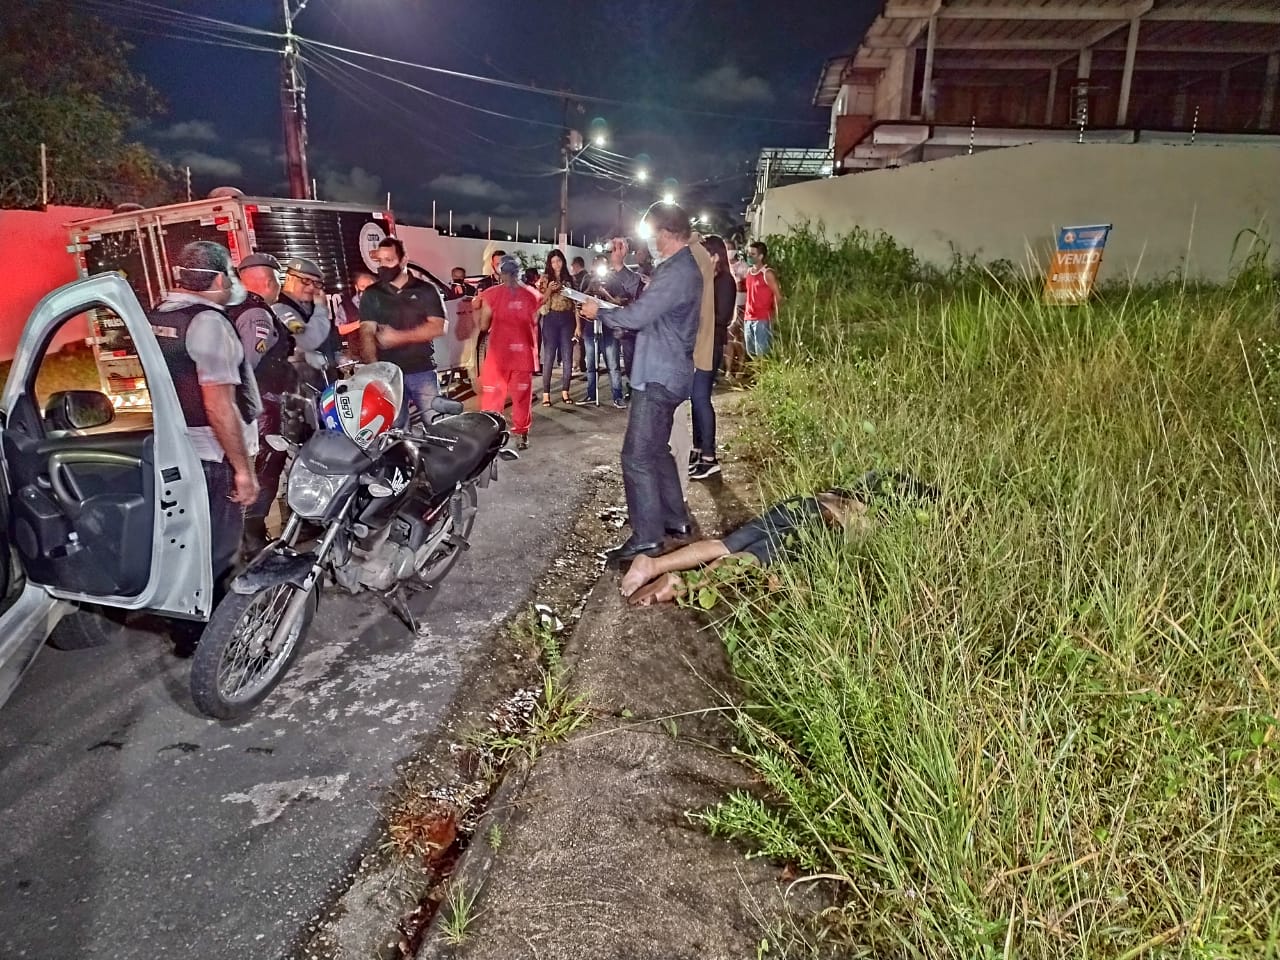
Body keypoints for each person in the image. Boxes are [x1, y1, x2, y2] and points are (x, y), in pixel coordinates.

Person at [148, 241, 261, 651]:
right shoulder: (209, 323)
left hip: (175, 449)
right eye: (229, 273)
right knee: (217, 551)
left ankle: (182, 624)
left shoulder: (158, 315)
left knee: (185, 543)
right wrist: (243, 470)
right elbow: (219, 406)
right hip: (212, 457)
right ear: (216, 279)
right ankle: (208, 638)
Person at [580, 202, 703, 566]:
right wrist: (620, 272)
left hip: (658, 375)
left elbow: (638, 314)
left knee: (635, 457)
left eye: (651, 234)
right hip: (669, 371)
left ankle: (648, 538)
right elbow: (651, 294)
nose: (648, 242)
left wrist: (598, 311)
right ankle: (675, 519)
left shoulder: (679, 271)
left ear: (665, 234)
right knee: (657, 452)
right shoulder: (679, 268)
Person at [620, 472, 938, 606]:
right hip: (821, 522)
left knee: (728, 544)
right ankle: (683, 584)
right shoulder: (885, 509)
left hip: (804, 503)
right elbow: (861, 531)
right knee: (752, 558)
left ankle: (652, 564)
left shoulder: (859, 486)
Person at [359, 237, 447, 421]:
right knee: (396, 432)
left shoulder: (425, 290)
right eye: (380, 261)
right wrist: (374, 370)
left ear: (404, 259)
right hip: (388, 376)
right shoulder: (372, 293)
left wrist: (397, 337)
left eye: (389, 260)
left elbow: (439, 327)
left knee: (436, 424)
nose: (383, 267)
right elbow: (367, 332)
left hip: (421, 370)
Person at [475, 255, 539, 450]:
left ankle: (490, 436)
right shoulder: (533, 295)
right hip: (523, 355)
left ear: (500, 272)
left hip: (498, 355)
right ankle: (522, 434)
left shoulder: (490, 294)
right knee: (521, 397)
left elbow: (484, 325)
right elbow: (534, 322)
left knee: (493, 397)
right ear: (519, 271)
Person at [689, 235, 736, 480]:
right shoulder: (710, 279)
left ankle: (710, 457)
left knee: (700, 397)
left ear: (716, 256)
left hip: (713, 344)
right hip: (701, 343)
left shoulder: (725, 281)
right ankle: (698, 448)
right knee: (696, 398)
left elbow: (722, 316)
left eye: (706, 254)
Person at [581, 256, 625, 408]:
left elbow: (619, 301)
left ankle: (618, 396)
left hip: (608, 327)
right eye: (597, 264)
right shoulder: (587, 278)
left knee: (613, 364)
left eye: (602, 265)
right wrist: (589, 289)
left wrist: (604, 293)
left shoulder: (613, 279)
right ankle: (591, 394)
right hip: (590, 327)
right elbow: (580, 299)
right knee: (591, 364)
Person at [538, 249, 578, 407]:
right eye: (553, 262)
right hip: (551, 318)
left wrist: (578, 326)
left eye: (559, 261)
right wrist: (549, 289)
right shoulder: (545, 279)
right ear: (550, 263)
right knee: (549, 357)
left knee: (567, 357)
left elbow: (576, 304)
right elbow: (540, 300)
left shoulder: (570, 279)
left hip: (567, 318)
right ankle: (546, 394)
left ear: (563, 261)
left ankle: (565, 391)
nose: (556, 264)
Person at [743, 240, 783, 359]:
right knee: (751, 353)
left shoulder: (767, 273)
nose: (749, 256)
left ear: (761, 256)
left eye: (752, 254)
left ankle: (762, 376)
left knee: (762, 354)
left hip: (762, 319)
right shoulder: (749, 272)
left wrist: (774, 317)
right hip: (748, 317)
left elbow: (778, 296)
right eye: (748, 253)